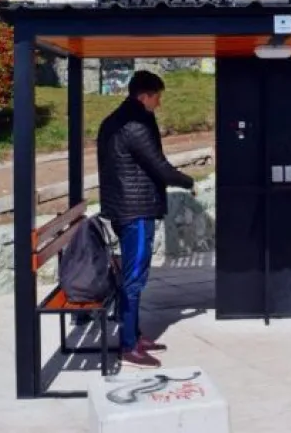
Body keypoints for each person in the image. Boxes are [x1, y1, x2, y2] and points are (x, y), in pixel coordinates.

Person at [97, 70, 195, 369]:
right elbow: (160, 167)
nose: (159, 104)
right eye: (157, 97)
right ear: (144, 96)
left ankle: (135, 335)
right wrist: (187, 180)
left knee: (134, 276)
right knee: (134, 278)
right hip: (135, 211)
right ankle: (129, 346)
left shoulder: (117, 119)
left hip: (124, 208)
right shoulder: (136, 125)